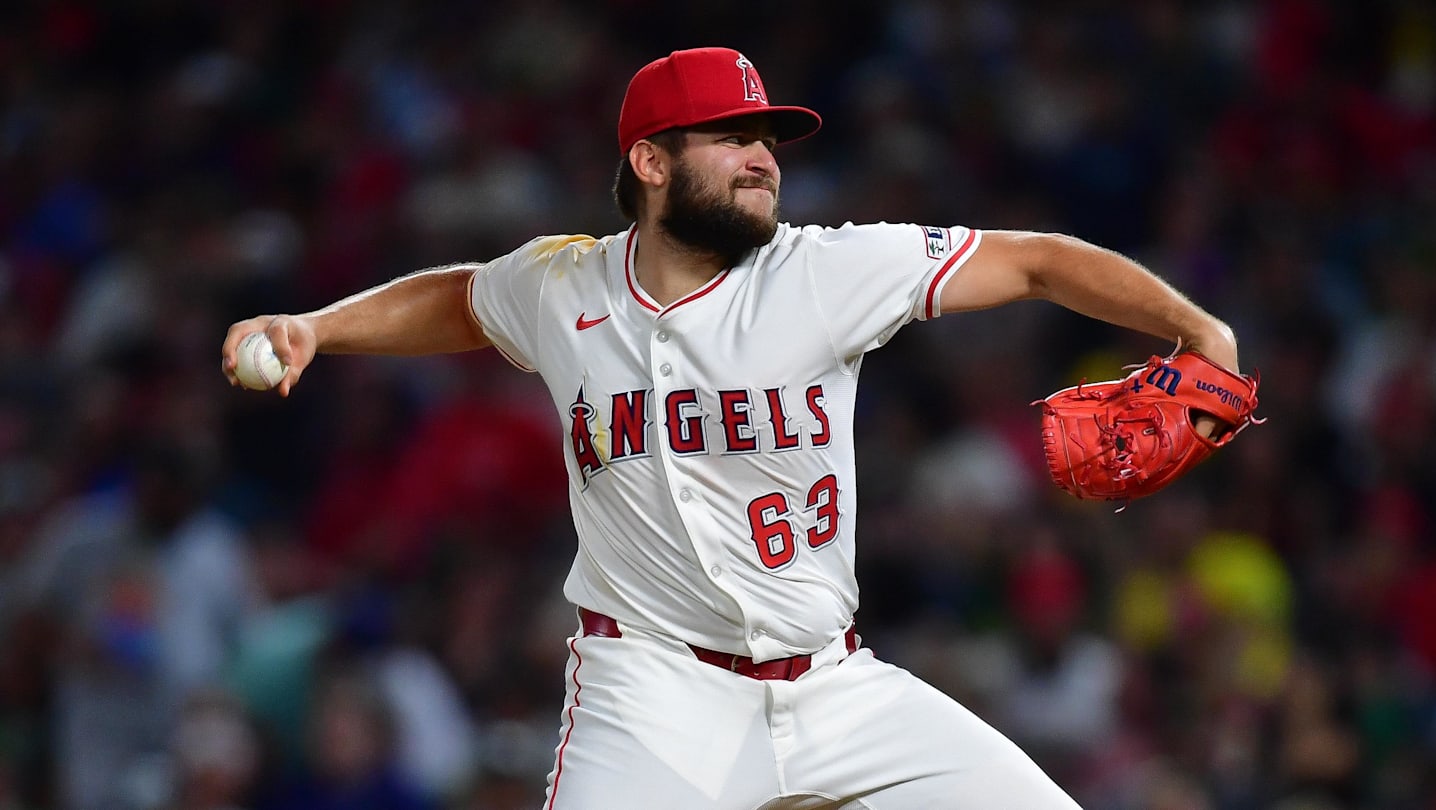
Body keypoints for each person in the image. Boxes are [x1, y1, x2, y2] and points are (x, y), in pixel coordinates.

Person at [221, 47, 1242, 809]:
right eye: (732, 138)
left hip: (841, 688)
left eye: (768, 140)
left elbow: (1036, 260)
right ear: (653, 162)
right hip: (650, 693)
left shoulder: (826, 270)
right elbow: (460, 301)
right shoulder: (561, 283)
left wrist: (1199, 328)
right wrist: (319, 327)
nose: (762, 158)